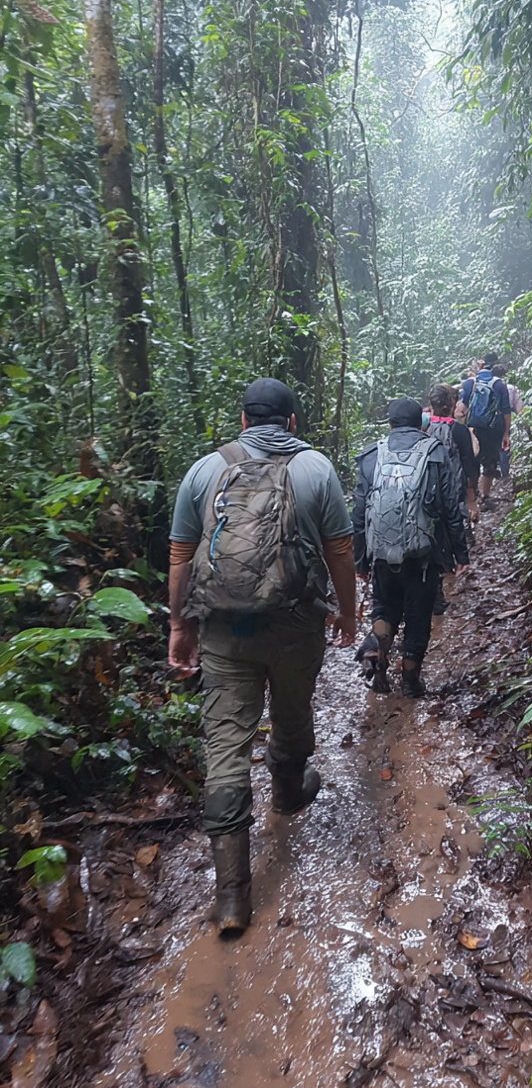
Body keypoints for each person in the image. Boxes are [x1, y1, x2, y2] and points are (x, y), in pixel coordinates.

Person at [168, 377, 357, 936]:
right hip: (297, 624)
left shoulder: (205, 471)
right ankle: (287, 793)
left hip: (224, 629)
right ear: (292, 422)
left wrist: (180, 626)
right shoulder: (316, 469)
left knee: (226, 741)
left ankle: (231, 897)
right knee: (293, 711)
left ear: (244, 420)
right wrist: (347, 613)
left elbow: (180, 556)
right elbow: (340, 551)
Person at [352, 397, 469, 698]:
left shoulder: (371, 456)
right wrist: (459, 553)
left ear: (390, 424)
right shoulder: (435, 454)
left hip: (380, 552)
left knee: (385, 607)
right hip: (423, 556)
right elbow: (450, 508)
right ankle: (410, 680)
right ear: (421, 422)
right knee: (419, 614)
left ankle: (378, 655)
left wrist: (360, 561)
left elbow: (359, 513)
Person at [426, 383, 478, 613]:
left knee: (430, 537)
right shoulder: (459, 431)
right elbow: (469, 466)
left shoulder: (423, 427)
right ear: (453, 405)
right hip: (453, 493)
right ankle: (449, 570)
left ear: (431, 405)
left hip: (425, 493)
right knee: (450, 532)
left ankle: (434, 591)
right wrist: (471, 498)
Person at [459, 353, 511, 507]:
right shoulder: (500, 384)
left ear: (480, 365)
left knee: (472, 460)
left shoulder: (469, 384)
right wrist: (506, 433)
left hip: (473, 429)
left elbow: (461, 409)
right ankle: (483, 495)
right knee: (489, 463)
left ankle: (471, 496)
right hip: (493, 429)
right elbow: (506, 411)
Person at [492, 364, 523, 480]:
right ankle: (505, 474)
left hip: (486, 422)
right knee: (504, 445)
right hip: (503, 419)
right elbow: (520, 408)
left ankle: (491, 472)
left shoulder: (484, 386)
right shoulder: (511, 388)